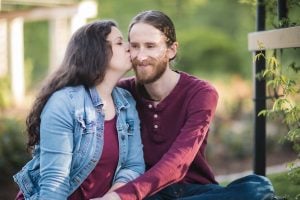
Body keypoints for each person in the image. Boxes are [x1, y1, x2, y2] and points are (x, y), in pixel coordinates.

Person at [98, 10, 277, 200]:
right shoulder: (122, 92)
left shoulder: (200, 93)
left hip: (194, 190)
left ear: (171, 50)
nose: (141, 56)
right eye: (134, 46)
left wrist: (119, 197)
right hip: (148, 193)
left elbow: (178, 163)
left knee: (256, 188)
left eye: (150, 46)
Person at [13, 20, 145, 200]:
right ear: (97, 52)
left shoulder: (126, 102)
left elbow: (133, 166)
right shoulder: (65, 103)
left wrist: (111, 198)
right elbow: (55, 182)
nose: (129, 47)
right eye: (119, 42)